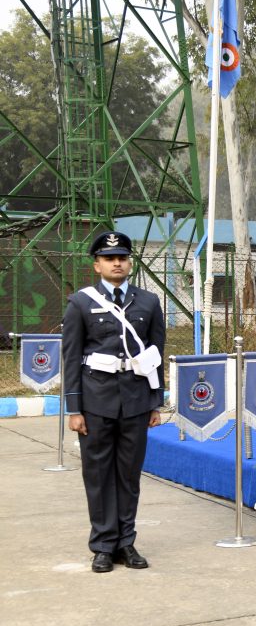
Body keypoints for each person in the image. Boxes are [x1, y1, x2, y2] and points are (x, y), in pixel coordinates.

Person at [62, 231, 165, 573]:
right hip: (95, 401)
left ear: (129, 262)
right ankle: (103, 545)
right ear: (97, 265)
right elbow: (71, 357)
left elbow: (155, 354)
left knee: (128, 475)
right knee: (98, 474)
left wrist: (156, 402)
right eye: (109, 258)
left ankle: (126, 543)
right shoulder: (80, 303)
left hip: (136, 401)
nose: (116, 262)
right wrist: (74, 409)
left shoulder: (148, 302)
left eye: (122, 257)